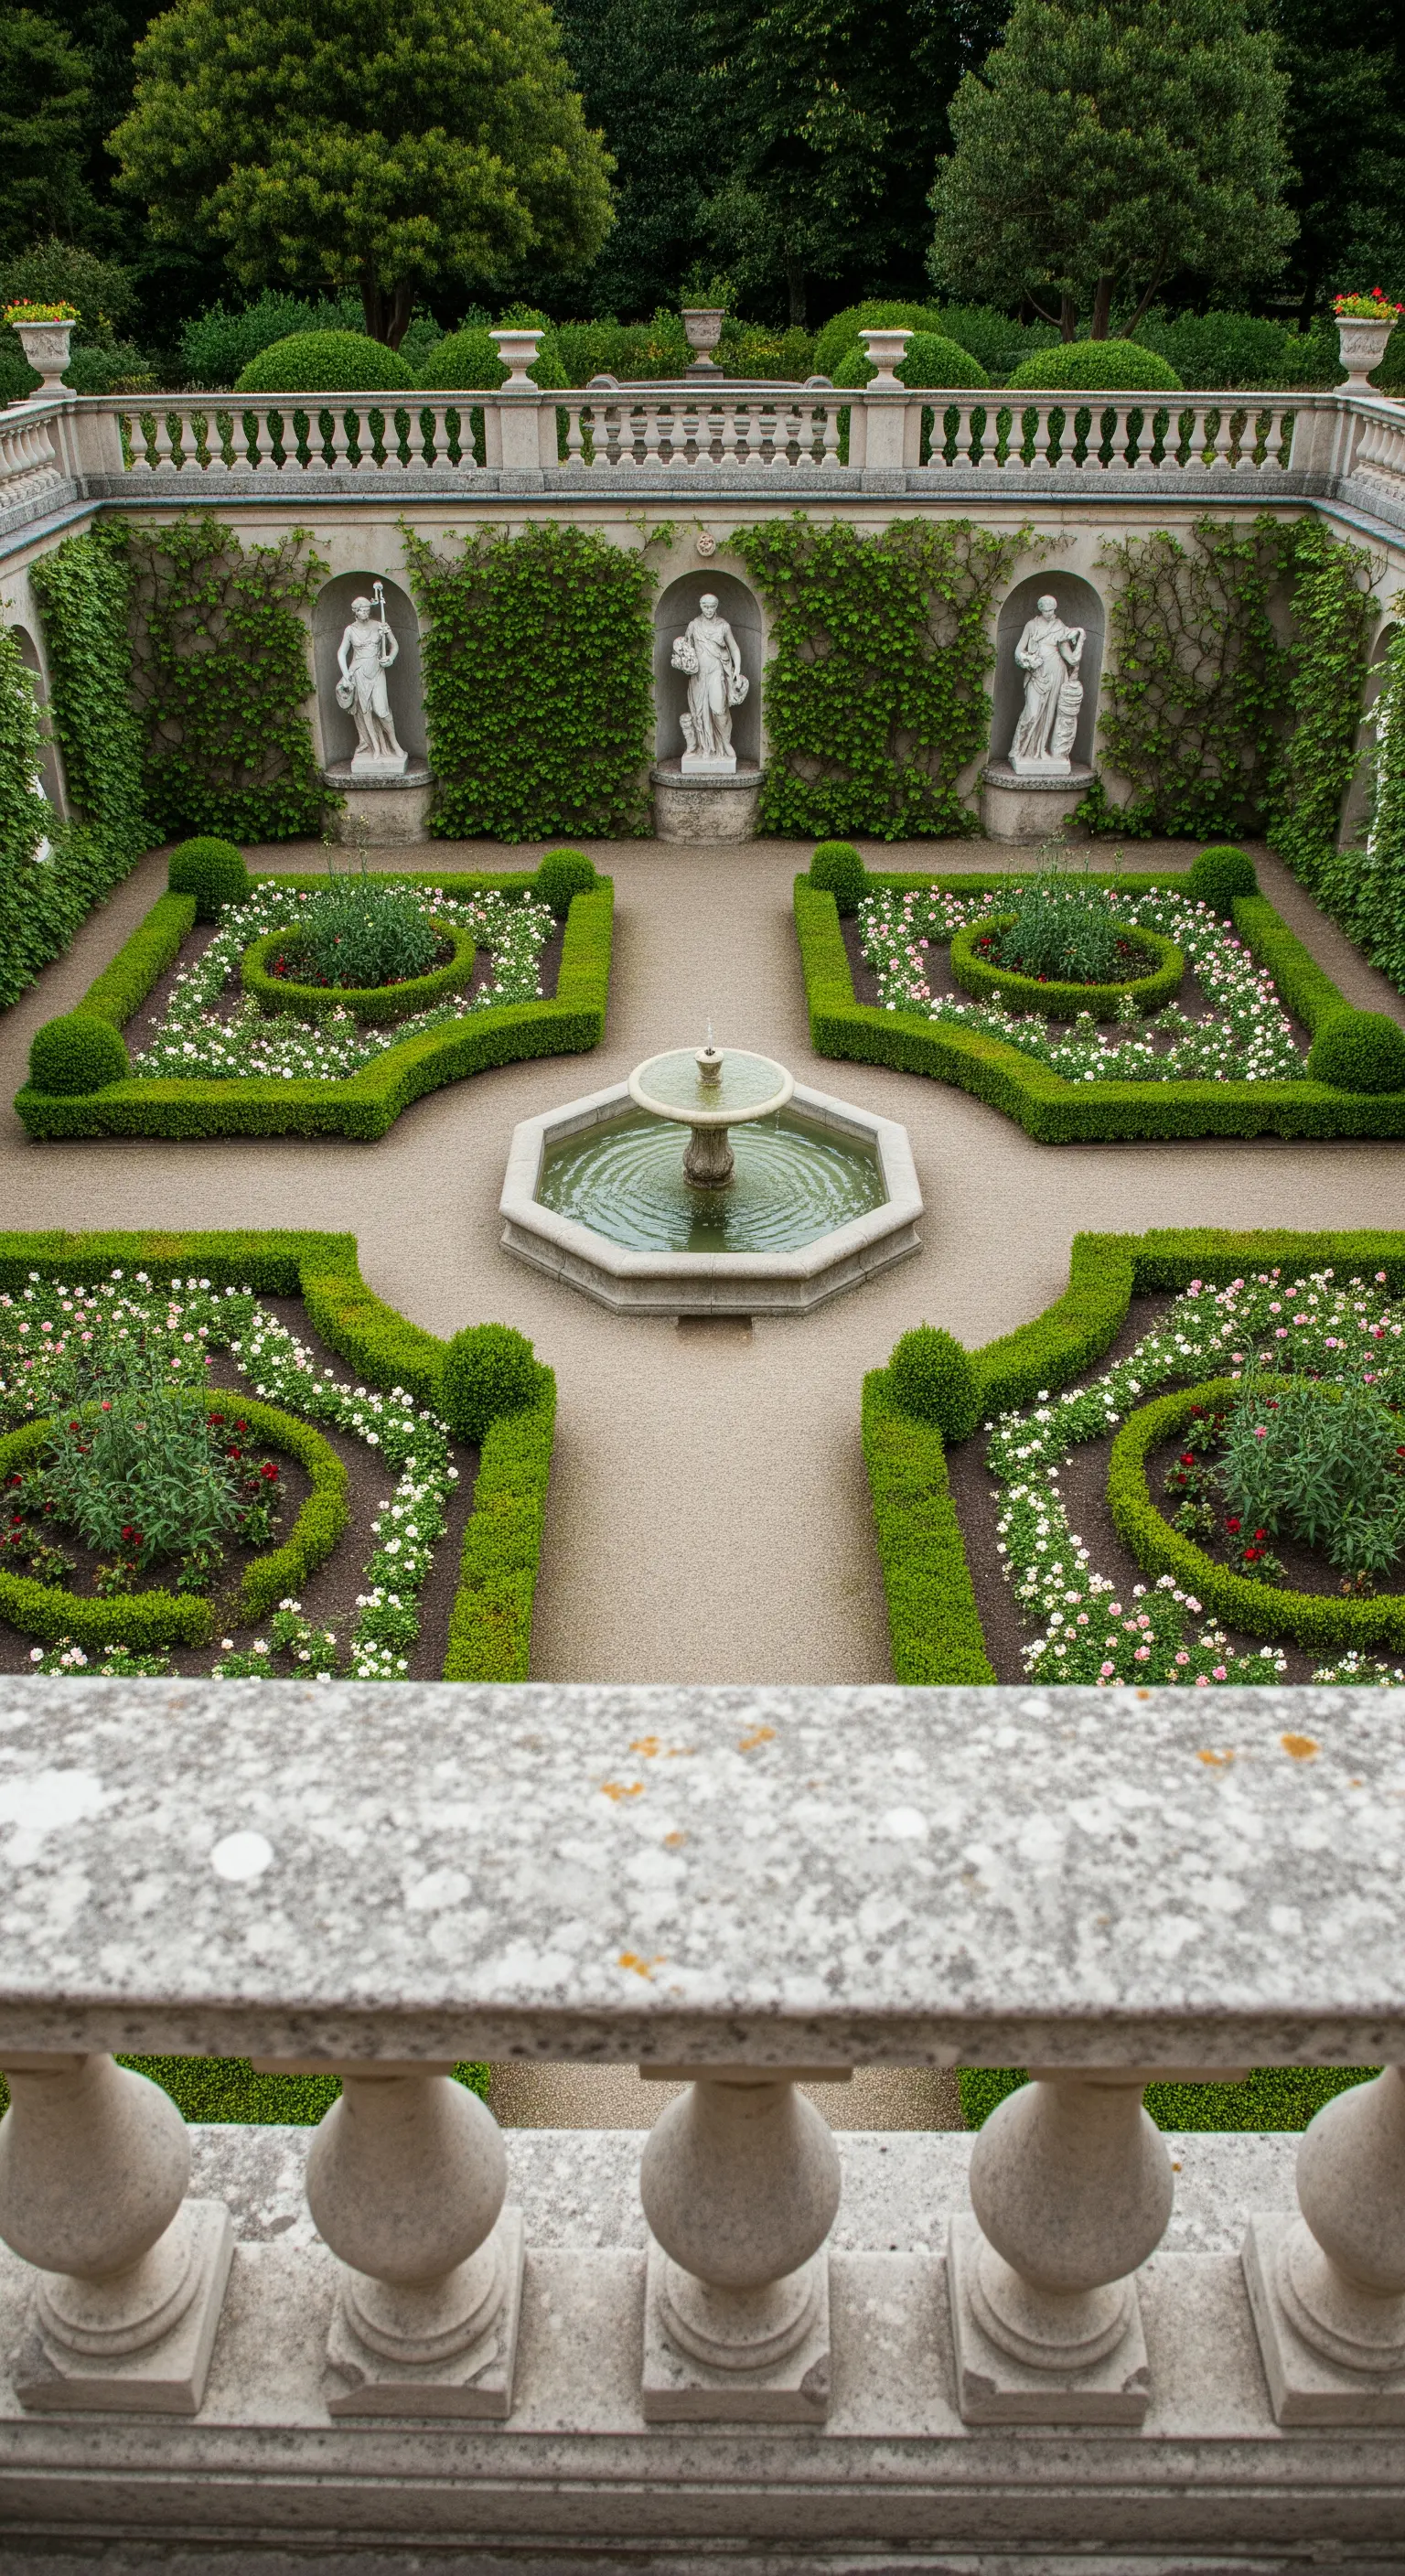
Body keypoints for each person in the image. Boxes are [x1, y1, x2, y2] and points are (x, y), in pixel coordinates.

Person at [1009, 595, 1085, 770]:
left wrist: (1080, 638)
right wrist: (1027, 661)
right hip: (1037, 674)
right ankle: (1017, 750)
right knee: (1032, 713)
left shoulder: (1060, 627)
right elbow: (1019, 651)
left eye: (1052, 610)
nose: (1050, 613)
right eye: (1046, 610)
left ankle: (1041, 750)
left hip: (1057, 671)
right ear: (1040, 609)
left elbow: (1070, 657)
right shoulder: (1031, 625)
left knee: (1050, 712)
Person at [672, 593, 747, 763]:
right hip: (698, 676)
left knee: (718, 709)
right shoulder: (694, 625)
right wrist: (683, 662)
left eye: (712, 607)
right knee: (698, 712)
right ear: (700, 606)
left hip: (717, 672)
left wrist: (737, 669)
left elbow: (734, 648)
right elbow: (686, 650)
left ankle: (725, 743)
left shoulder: (723, 626)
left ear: (716, 607)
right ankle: (703, 748)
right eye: (706, 606)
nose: (709, 610)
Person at [337, 594, 405, 766]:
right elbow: (342, 653)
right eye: (362, 610)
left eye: (367, 610)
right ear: (356, 612)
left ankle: (395, 744)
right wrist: (346, 674)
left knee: (382, 709)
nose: (365, 613)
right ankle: (374, 747)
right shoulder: (350, 630)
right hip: (358, 671)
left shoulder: (379, 625)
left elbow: (394, 645)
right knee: (365, 711)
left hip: (377, 670)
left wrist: (390, 658)